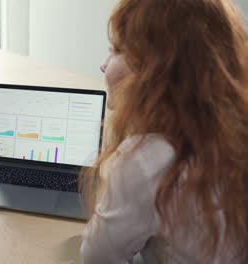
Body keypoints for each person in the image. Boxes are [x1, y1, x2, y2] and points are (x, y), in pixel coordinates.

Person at [80, 0, 248, 262]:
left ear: (154, 70)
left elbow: (97, 258)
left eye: (116, 50)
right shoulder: (234, 133)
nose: (104, 65)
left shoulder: (147, 159)